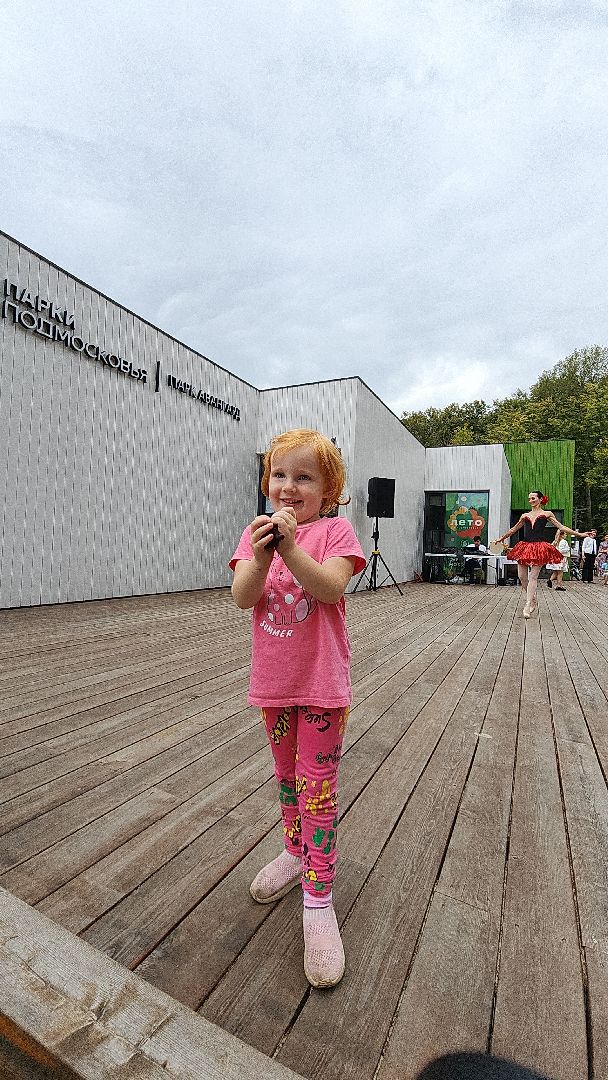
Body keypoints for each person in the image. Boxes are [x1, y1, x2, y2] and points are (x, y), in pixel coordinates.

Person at [229, 428, 366, 989]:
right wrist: (264, 551)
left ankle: (318, 898)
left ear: (328, 490)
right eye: (280, 475)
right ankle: (293, 852)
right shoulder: (255, 534)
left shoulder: (335, 531)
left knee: (317, 788)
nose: (289, 487)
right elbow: (243, 597)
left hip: (320, 688)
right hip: (276, 686)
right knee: (286, 779)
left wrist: (290, 547)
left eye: (304, 477)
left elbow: (331, 589)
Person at [493, 490, 589, 619]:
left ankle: (527, 604)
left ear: (540, 499)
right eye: (529, 499)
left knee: (533, 577)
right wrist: (501, 538)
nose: (531, 501)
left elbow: (561, 527)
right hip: (525, 547)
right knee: (522, 577)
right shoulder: (525, 515)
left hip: (539, 547)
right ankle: (532, 599)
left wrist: (579, 534)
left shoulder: (546, 514)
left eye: (533, 498)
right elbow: (513, 529)